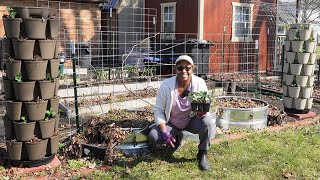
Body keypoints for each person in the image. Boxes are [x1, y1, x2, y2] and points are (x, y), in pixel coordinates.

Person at [148, 55, 216, 171]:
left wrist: (201, 113)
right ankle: (177, 136)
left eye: (187, 68)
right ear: (175, 69)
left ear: (192, 68)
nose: (183, 71)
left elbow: (205, 106)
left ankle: (202, 154)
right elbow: (158, 110)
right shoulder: (167, 85)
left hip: (191, 121)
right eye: (180, 68)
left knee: (208, 123)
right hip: (172, 123)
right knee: (153, 136)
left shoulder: (199, 83)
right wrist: (164, 131)